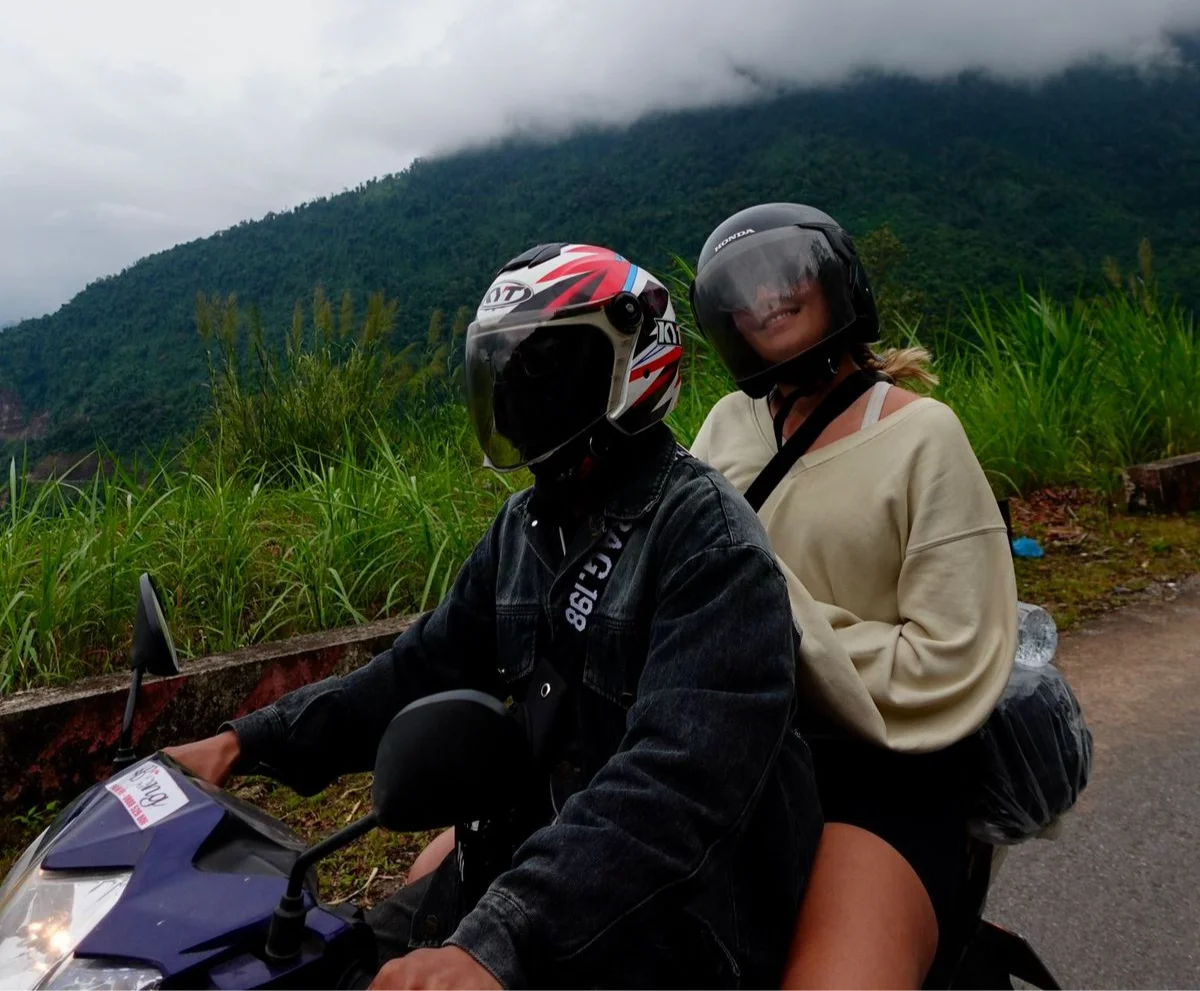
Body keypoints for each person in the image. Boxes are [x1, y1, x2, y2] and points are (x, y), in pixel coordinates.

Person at [166, 242, 820, 991]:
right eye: (503, 369)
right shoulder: (528, 527)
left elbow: (671, 789)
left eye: (541, 367)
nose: (513, 393)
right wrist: (242, 743)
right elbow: (414, 671)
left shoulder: (709, 542)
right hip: (526, 878)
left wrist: (498, 936)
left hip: (664, 925)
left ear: (629, 362)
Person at [688, 204, 1017, 991]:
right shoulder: (728, 426)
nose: (766, 296)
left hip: (877, 776)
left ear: (835, 283)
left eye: (786, 274)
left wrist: (770, 619)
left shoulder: (922, 435)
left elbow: (952, 660)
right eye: (743, 290)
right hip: (727, 756)